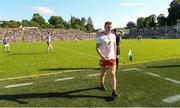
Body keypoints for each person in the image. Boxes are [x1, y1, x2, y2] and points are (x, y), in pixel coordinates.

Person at [96, 21, 119, 97]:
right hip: (103, 59)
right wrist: (102, 57)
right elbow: (97, 48)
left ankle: (114, 91)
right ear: (104, 27)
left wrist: (115, 55)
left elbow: (114, 46)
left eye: (110, 27)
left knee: (112, 73)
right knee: (103, 73)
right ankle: (101, 84)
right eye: (108, 27)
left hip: (112, 58)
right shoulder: (100, 36)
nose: (109, 28)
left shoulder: (113, 36)